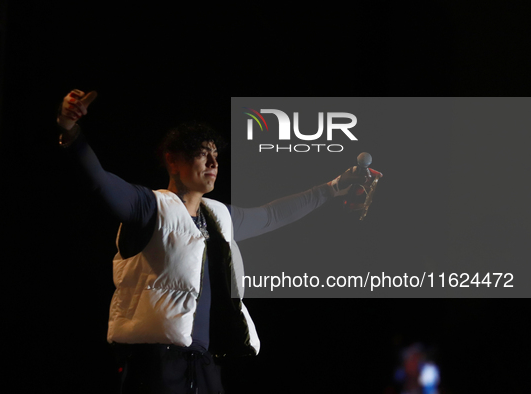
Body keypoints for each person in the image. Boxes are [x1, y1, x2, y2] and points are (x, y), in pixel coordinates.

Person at [57, 89, 380, 393]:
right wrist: (71, 130)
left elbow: (273, 215)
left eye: (215, 155)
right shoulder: (149, 206)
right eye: (202, 154)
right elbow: (100, 182)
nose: (213, 164)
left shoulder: (219, 215)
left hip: (204, 363)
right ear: (173, 161)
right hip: (154, 362)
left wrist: (332, 188)